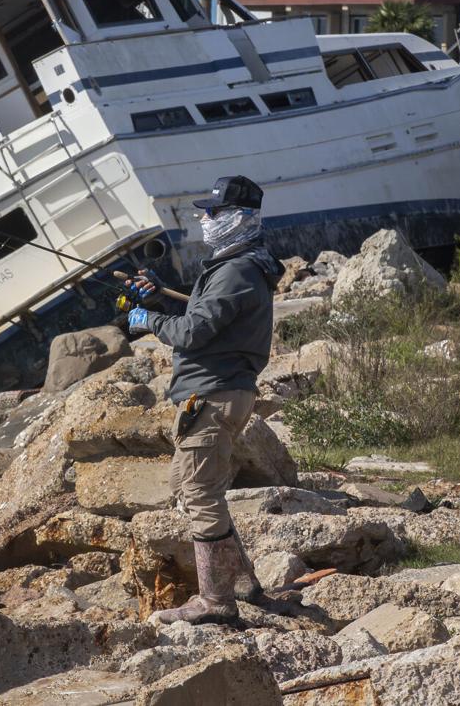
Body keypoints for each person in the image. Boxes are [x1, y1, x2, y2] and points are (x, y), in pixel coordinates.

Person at [124, 175, 283, 626]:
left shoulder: (236, 270)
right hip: (217, 391)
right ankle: (243, 583)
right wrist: (158, 296)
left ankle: (215, 601)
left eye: (213, 212)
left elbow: (193, 332)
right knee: (190, 487)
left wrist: (148, 318)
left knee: (200, 493)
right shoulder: (239, 265)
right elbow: (206, 316)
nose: (205, 219)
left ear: (238, 218)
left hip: (212, 394)